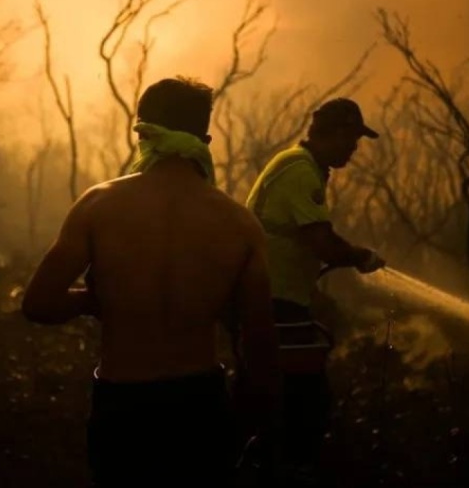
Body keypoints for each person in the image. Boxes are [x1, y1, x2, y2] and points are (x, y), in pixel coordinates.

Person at [21, 76, 281, 487]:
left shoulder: (98, 205)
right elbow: (259, 341)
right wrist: (251, 420)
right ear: (205, 139)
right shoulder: (240, 223)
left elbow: (38, 304)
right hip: (199, 404)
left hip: (123, 402)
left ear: (142, 133)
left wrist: (94, 300)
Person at [244, 97, 386, 482]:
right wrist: (360, 256)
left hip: (283, 299)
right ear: (332, 133)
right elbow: (321, 242)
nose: (354, 149)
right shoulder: (299, 169)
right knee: (303, 403)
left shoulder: (306, 168)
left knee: (296, 401)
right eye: (351, 140)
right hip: (273, 302)